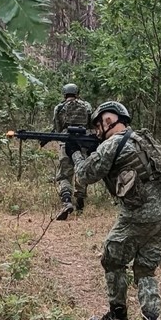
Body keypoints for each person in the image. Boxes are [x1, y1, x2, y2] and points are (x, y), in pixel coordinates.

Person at [75, 101, 161, 320]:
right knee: (145, 270)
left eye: (100, 124)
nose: (98, 130)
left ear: (108, 121)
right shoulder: (143, 139)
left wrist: (75, 154)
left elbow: (84, 175)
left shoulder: (111, 144)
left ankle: (118, 318)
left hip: (138, 215)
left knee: (111, 258)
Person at [52, 83, 92, 220]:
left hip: (65, 141)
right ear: (77, 93)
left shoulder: (59, 107)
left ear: (64, 94)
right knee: (81, 170)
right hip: (83, 142)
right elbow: (91, 124)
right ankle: (80, 199)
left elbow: (57, 127)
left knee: (64, 174)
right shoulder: (86, 106)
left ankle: (67, 200)